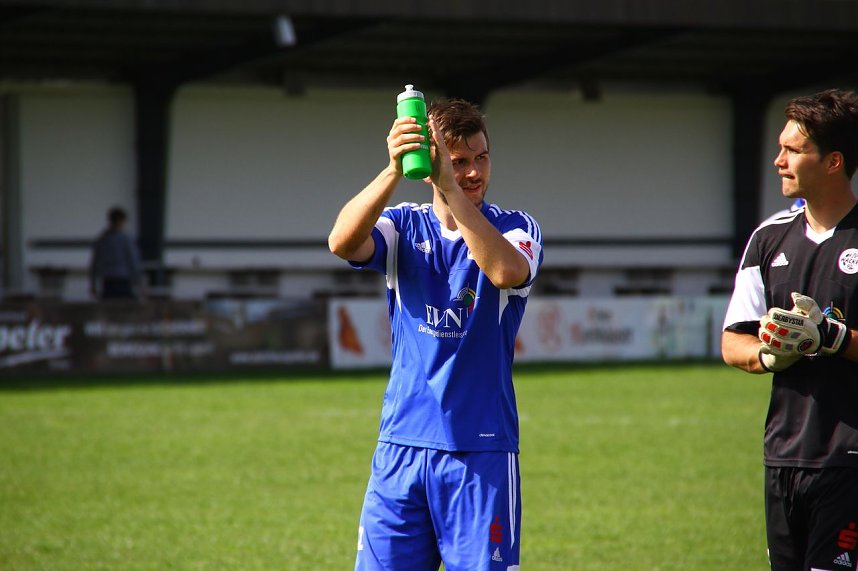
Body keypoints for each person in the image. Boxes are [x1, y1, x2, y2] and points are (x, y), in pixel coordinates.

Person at [328, 98, 543, 570]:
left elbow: (506, 272)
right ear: (430, 165)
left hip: (480, 453)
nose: (474, 172)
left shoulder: (515, 228)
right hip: (400, 447)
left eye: (481, 157)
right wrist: (393, 169)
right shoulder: (403, 226)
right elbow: (341, 242)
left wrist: (451, 188)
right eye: (459, 161)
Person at [721, 88, 858, 571]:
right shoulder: (767, 238)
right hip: (782, 457)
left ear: (833, 162)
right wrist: (769, 355)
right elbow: (733, 340)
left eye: (793, 150)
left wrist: (830, 337)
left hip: (849, 459)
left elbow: (830, 339)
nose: (778, 161)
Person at [89, 206, 143, 300]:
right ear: (122, 221)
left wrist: (93, 283)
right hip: (124, 280)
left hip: (108, 280)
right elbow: (133, 261)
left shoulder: (103, 239)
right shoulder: (126, 239)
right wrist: (138, 281)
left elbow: (95, 263)